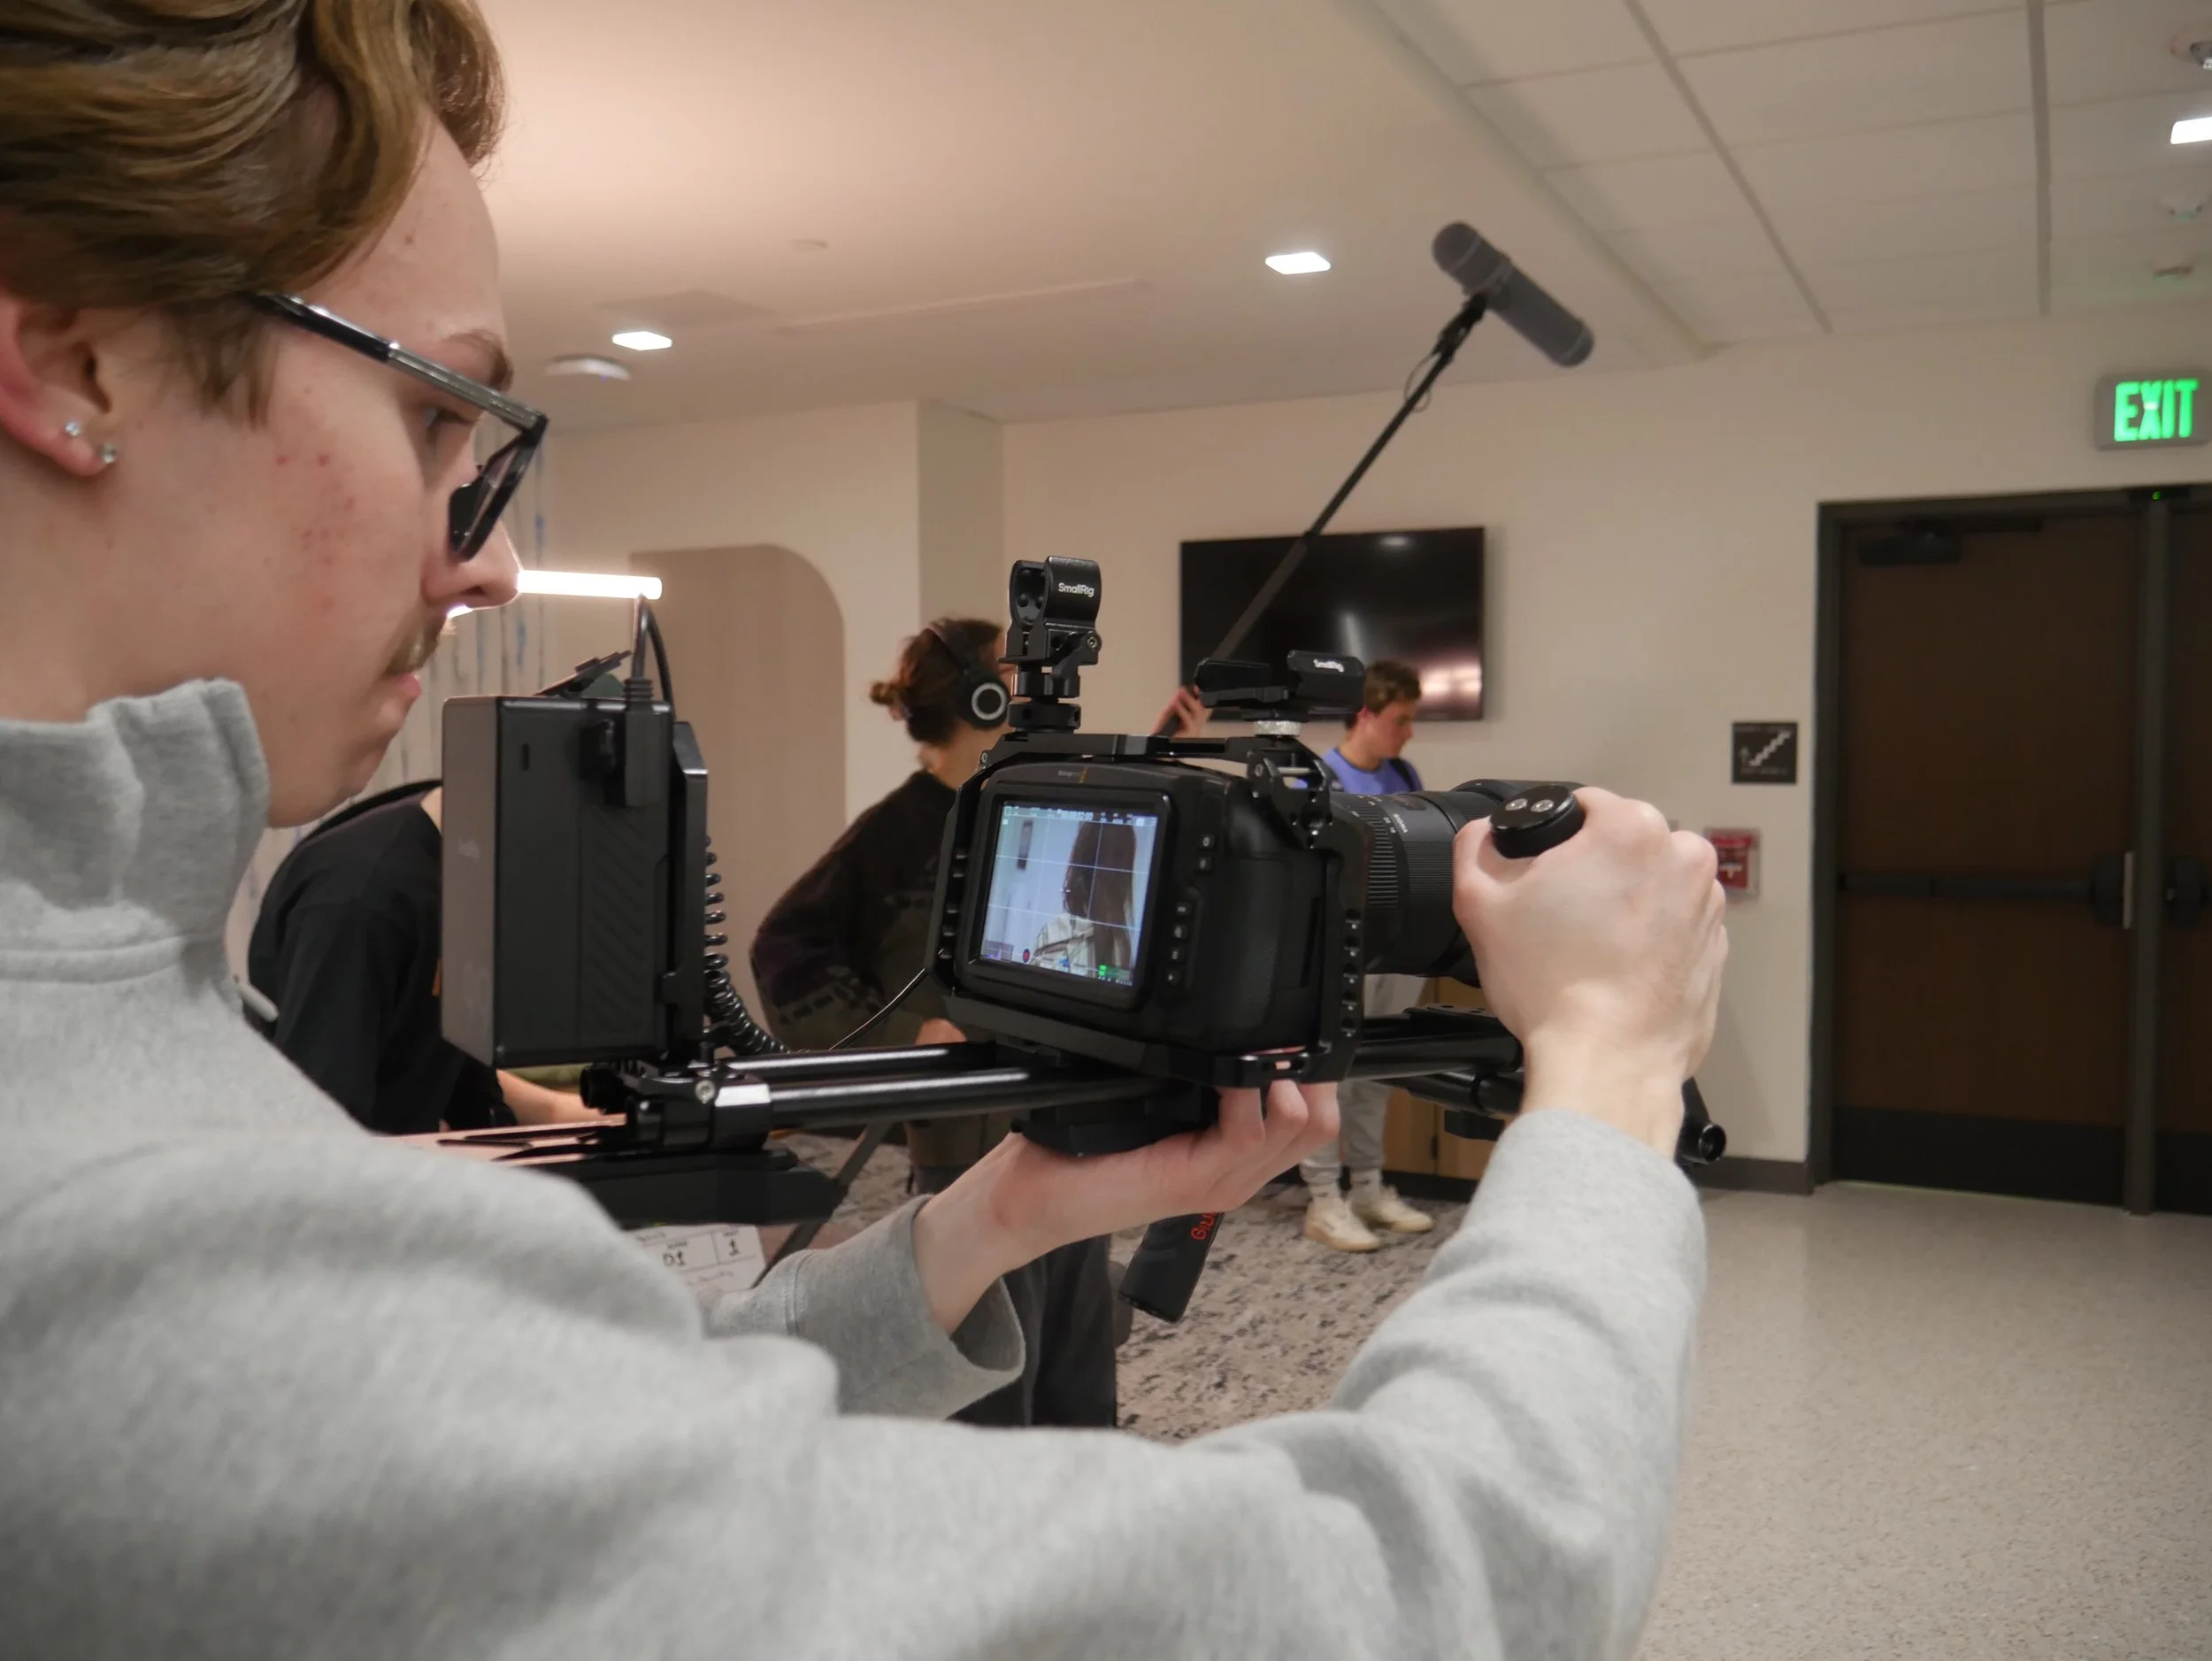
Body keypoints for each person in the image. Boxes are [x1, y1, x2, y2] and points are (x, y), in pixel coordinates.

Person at [0, 6, 1729, 1657]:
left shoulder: (116, 1079)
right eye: (434, 413)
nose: (493, 557)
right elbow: (1422, 1601)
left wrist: (992, 1216)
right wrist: (1606, 1072)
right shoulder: (128, 1245)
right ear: (76, 367)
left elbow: (626, 1449)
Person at [753, 618, 1122, 1428]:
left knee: (1079, 1373)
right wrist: (903, 1037)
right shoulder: (896, 832)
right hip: (967, 1149)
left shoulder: (1034, 804)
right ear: (980, 698)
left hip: (1068, 1119)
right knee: (994, 1384)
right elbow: (784, 946)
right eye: (1011, 675)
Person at [247, 777, 592, 1134]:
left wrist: (571, 1112)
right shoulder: (363, 900)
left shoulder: (456, 877)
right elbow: (323, 1128)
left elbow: (463, 1090)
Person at [1306, 658, 1442, 1250]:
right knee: (1329, 1075)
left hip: (1396, 942)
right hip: (1342, 944)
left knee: (1376, 1072)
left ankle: (1367, 1187)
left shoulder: (1404, 774)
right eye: (1400, 720)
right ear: (1365, 714)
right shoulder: (1320, 778)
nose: (1408, 733)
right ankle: (1323, 1199)